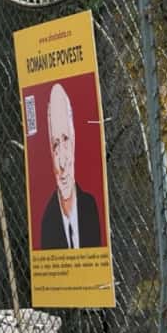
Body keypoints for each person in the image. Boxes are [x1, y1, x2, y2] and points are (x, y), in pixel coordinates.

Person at [39, 83, 102, 250]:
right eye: (55, 145)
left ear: (74, 141)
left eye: (66, 139)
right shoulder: (47, 222)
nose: (62, 162)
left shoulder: (91, 209)